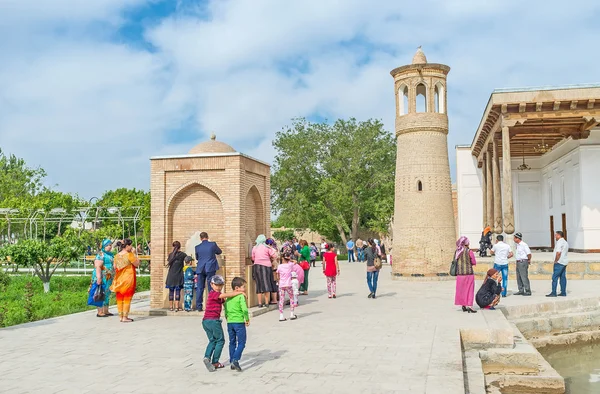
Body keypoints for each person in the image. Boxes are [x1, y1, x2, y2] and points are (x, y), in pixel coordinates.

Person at [202, 275, 246, 372]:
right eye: (216, 285)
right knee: (220, 340)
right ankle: (215, 361)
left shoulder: (218, 295)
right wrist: (239, 292)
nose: (218, 287)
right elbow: (224, 296)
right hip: (213, 321)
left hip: (206, 321)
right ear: (211, 284)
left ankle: (207, 357)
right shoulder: (213, 293)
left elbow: (226, 302)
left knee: (213, 340)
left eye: (220, 285)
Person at [110, 238, 140, 323]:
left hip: (119, 279)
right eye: (130, 245)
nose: (131, 247)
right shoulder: (129, 255)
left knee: (119, 298)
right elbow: (137, 264)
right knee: (127, 298)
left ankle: (120, 316)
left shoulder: (116, 255)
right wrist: (134, 254)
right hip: (128, 279)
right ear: (127, 246)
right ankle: (125, 317)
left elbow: (115, 267)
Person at [224, 277, 250, 372]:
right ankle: (235, 359)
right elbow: (244, 309)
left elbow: (226, 308)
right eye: (243, 287)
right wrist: (246, 319)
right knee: (242, 342)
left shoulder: (228, 297)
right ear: (237, 288)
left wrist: (227, 316)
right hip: (239, 322)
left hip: (230, 322)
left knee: (232, 342)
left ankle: (231, 361)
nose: (245, 288)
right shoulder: (240, 296)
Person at [195, 232, 222, 311]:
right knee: (211, 286)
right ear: (208, 237)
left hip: (200, 268)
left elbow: (197, 257)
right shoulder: (213, 244)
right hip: (210, 267)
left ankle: (199, 306)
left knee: (200, 288)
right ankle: (212, 305)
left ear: (200, 238)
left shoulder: (197, 247)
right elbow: (219, 252)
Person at [275, 252, 304, 321]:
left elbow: (277, 274)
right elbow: (295, 262)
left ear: (282, 258)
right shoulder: (290, 265)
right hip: (289, 284)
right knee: (291, 299)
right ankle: (291, 314)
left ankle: (281, 315)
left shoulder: (280, 266)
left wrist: (278, 280)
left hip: (282, 284)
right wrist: (290, 260)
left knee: (281, 300)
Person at [251, 234, 278, 308]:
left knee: (259, 284)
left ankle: (260, 303)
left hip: (257, 267)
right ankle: (266, 303)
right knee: (267, 284)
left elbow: (253, 258)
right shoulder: (267, 247)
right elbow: (275, 255)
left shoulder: (254, 248)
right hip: (266, 267)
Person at [90, 239, 114, 317]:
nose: (109, 247)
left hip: (108, 277)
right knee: (100, 292)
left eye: (110, 245)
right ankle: (100, 312)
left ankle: (106, 310)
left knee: (107, 292)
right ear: (103, 246)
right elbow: (98, 266)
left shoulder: (110, 254)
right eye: (107, 245)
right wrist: (99, 278)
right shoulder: (101, 254)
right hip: (102, 276)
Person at [454, 236, 477, 313]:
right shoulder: (469, 251)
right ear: (467, 243)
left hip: (460, 274)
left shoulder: (457, 251)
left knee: (461, 290)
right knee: (469, 289)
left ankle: (463, 305)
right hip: (468, 273)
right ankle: (470, 306)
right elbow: (473, 262)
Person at [165, 241, 187, 311]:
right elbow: (188, 260)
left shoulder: (170, 255)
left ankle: (171, 307)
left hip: (171, 275)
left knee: (171, 291)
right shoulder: (183, 255)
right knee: (178, 291)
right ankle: (177, 307)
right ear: (180, 247)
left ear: (173, 246)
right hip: (178, 275)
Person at [547, 231, 569, 297]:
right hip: (564, 262)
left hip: (559, 262)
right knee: (563, 277)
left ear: (559, 235)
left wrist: (556, 260)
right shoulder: (565, 242)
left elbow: (558, 253)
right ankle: (563, 292)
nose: (555, 237)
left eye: (555, 235)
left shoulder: (559, 242)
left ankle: (553, 292)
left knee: (555, 277)